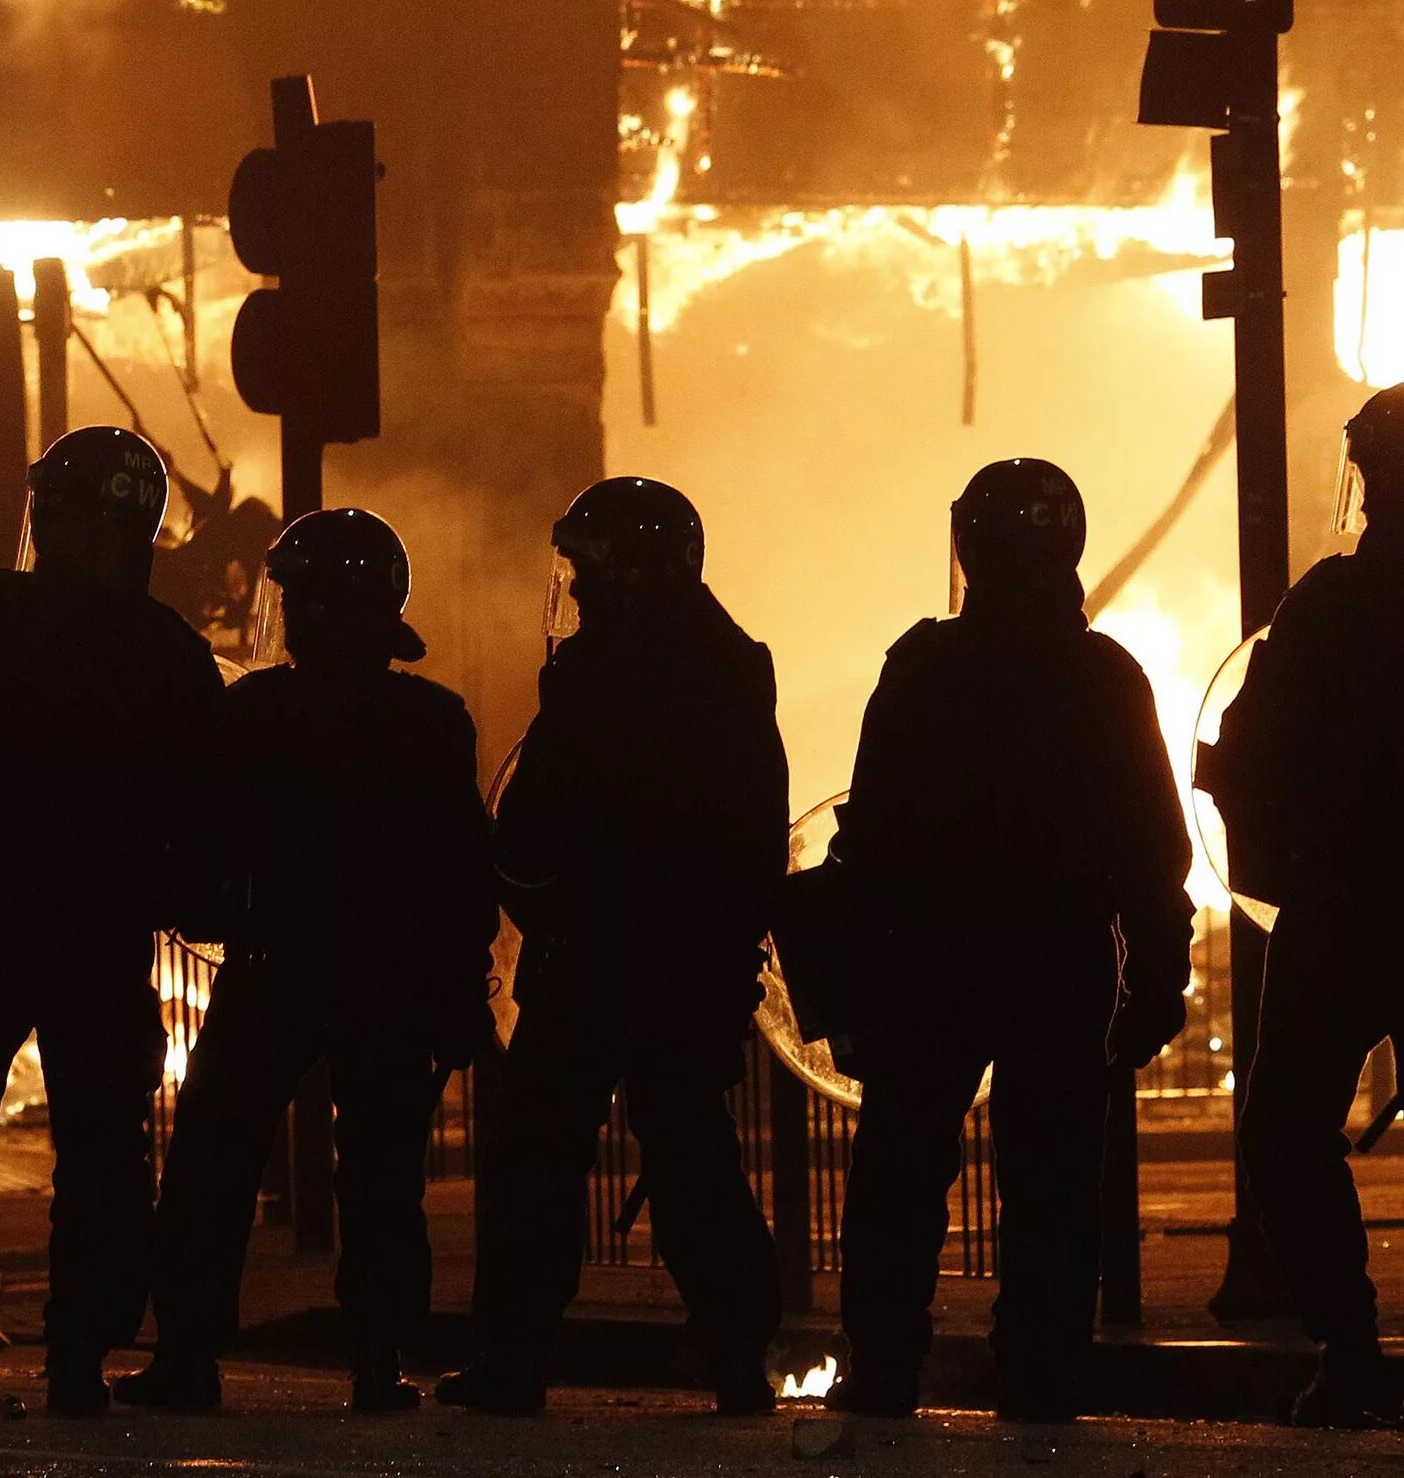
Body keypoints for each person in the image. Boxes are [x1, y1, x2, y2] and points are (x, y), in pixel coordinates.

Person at [0, 426, 224, 1414]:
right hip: (102, 941)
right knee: (105, 1157)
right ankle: (80, 1360)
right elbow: (203, 814)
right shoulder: (169, 652)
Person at [825, 460, 1190, 1422]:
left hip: (929, 962)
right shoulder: (1105, 674)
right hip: (1056, 963)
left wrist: (854, 967)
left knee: (901, 1167)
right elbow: (1155, 846)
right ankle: (1039, 1375)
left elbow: (867, 838)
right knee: (1055, 1177)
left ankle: (887, 1366)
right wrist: (1158, 970)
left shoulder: (923, 668)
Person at [115, 509, 496, 1416]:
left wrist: (196, 906)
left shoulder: (255, 711)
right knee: (384, 1176)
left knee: (214, 1162)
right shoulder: (436, 721)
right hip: (393, 979)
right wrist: (454, 984)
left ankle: (188, 1355)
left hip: (275, 967)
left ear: (312, 608)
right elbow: (461, 866)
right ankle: (376, 1359)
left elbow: (204, 844)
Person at [441, 477, 786, 1417]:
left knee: (538, 1159)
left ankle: (513, 1357)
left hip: (593, 955)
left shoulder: (596, 679)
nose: (579, 590)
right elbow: (755, 839)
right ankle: (737, 1351)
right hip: (688, 964)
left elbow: (541, 824)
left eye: (589, 571)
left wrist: (517, 877)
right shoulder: (732, 669)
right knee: (692, 1155)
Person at [1220, 384, 1404, 1426]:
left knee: (1285, 1125)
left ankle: (1350, 1349)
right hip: (1349, 900)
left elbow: (1250, 747)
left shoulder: (1329, 603)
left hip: (1343, 907)